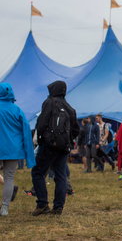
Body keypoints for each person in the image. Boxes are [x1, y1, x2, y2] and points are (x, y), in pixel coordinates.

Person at [31, 81, 79, 216]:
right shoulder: (69, 108)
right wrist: (67, 140)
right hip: (63, 147)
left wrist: (41, 138)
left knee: (38, 173)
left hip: (48, 145)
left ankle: (42, 204)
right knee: (61, 176)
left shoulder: (49, 102)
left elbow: (41, 123)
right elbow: (76, 130)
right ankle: (58, 207)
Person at [0, 83, 35, 216]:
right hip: (13, 149)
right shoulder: (17, 110)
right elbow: (26, 132)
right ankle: (5, 208)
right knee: (9, 178)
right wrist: (28, 152)